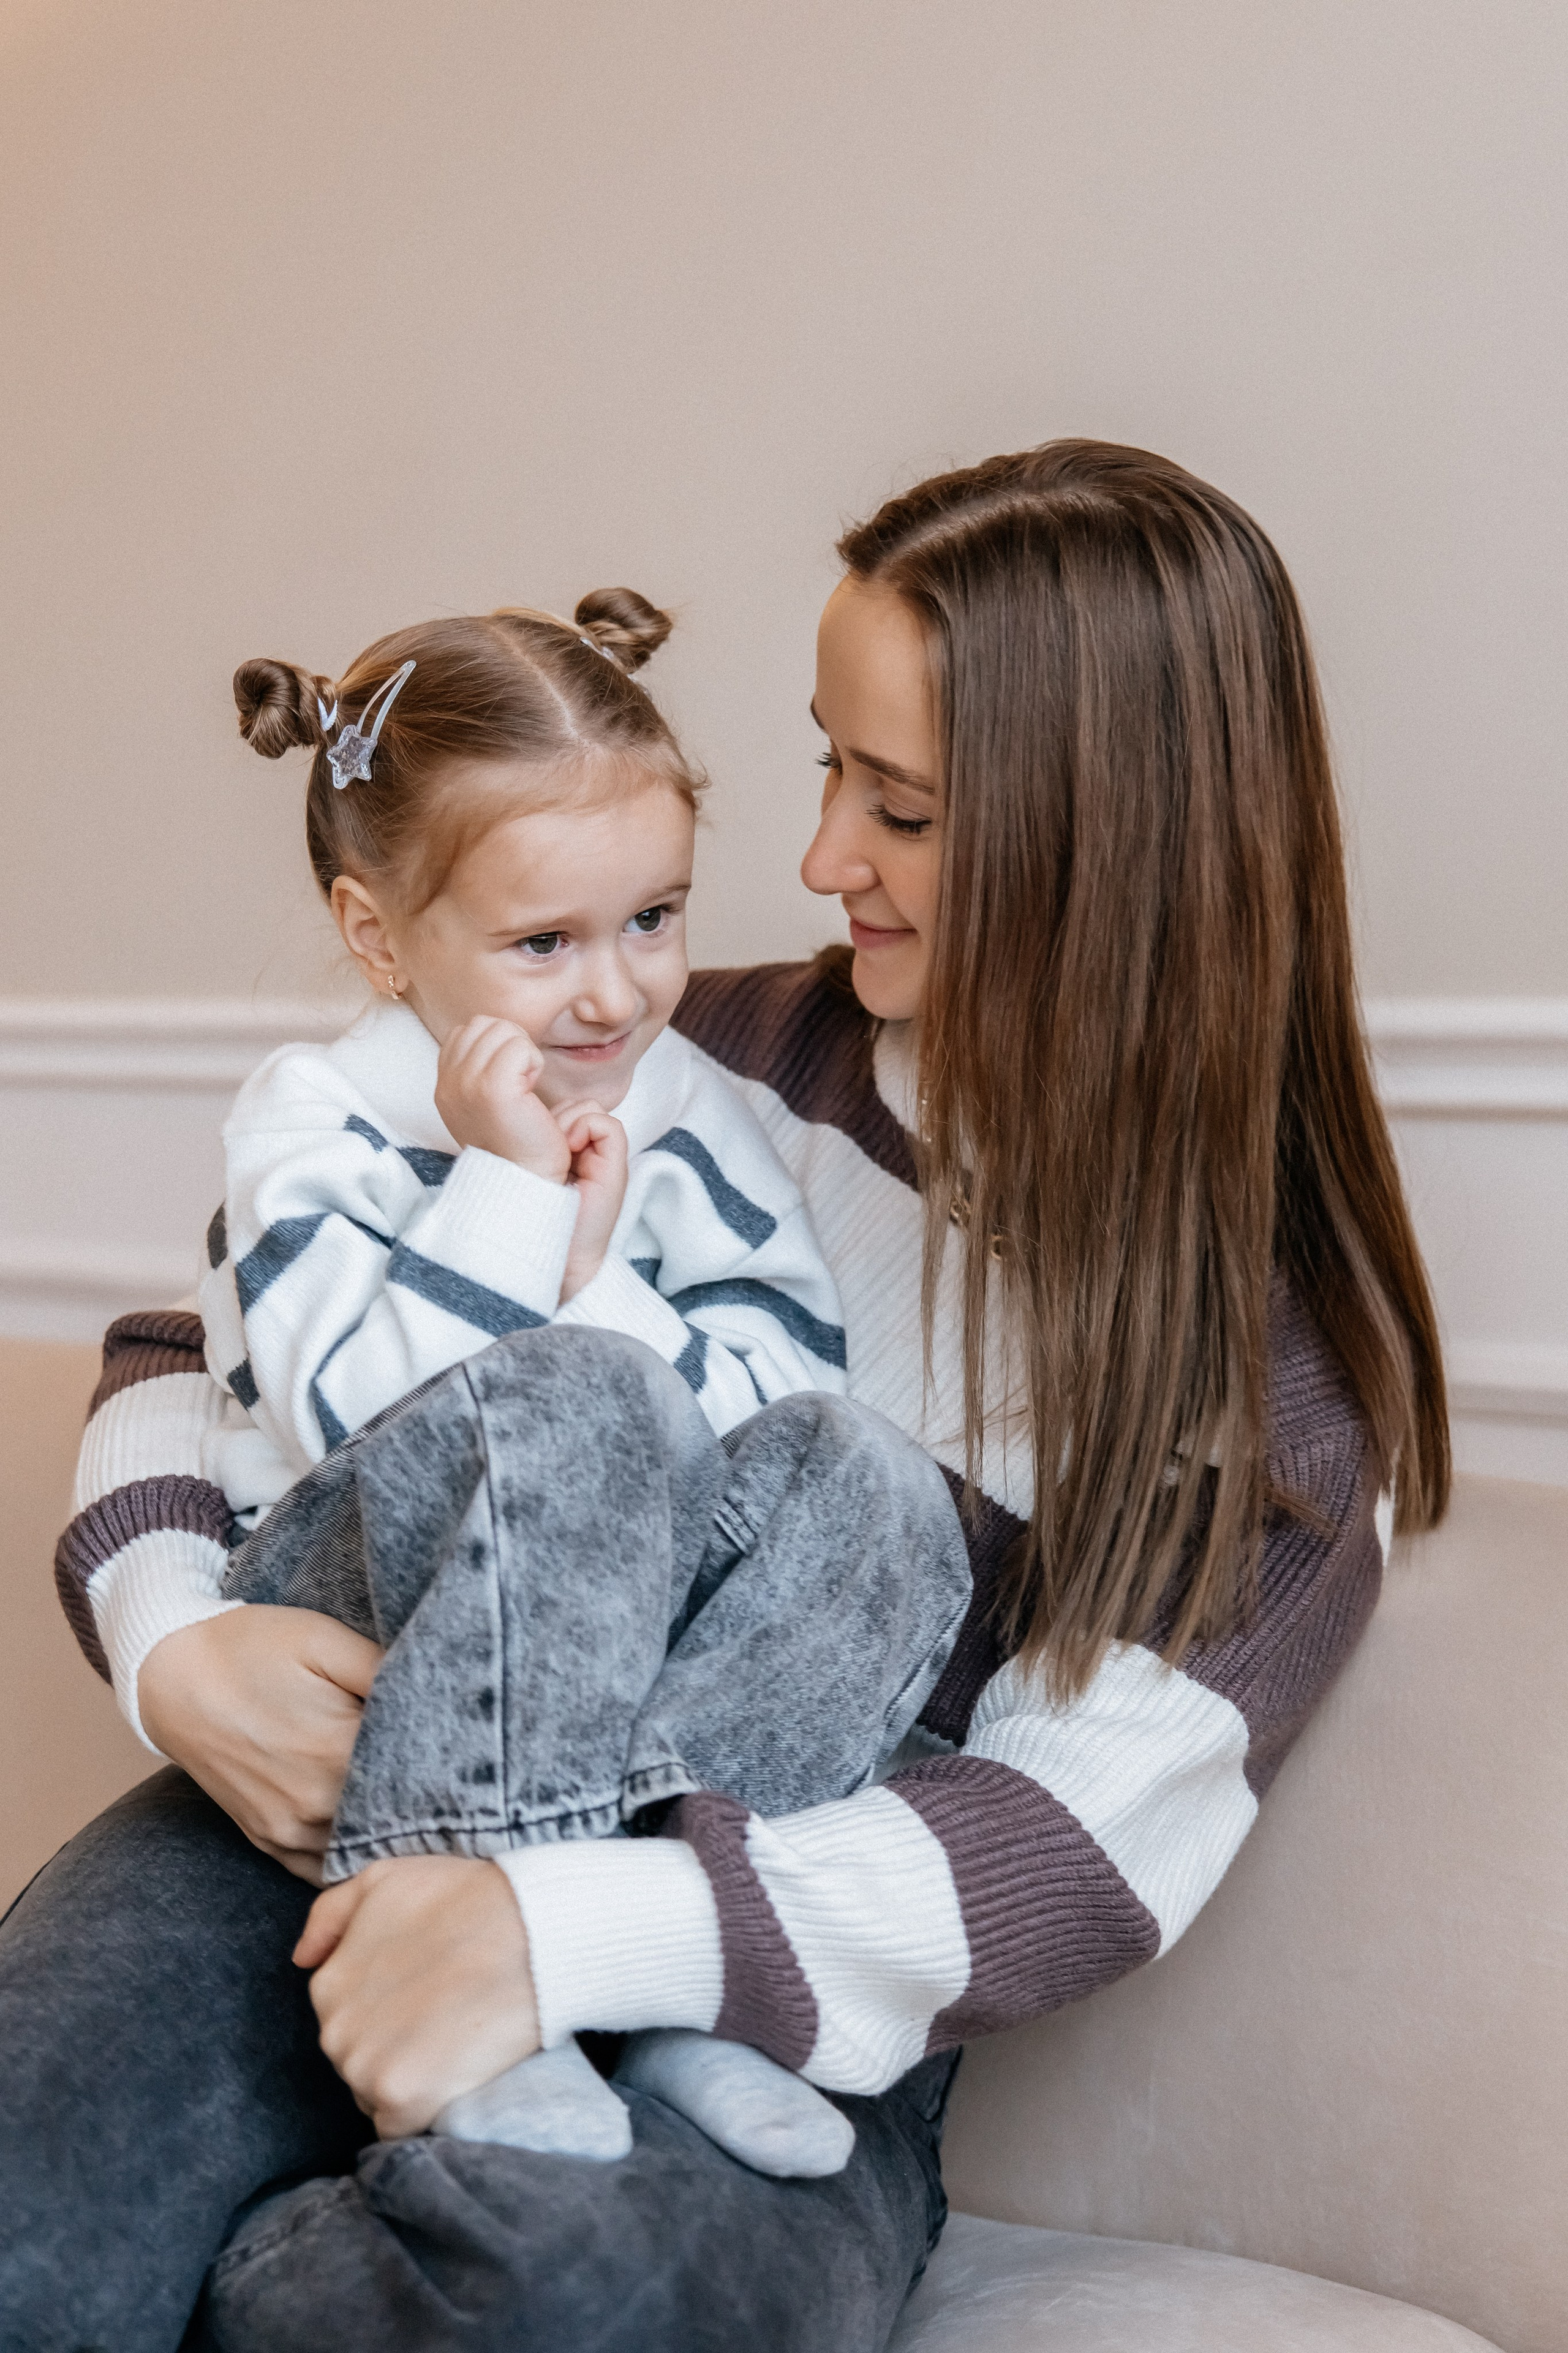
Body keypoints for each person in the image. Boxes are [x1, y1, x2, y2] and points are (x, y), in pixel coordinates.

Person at [9, 439, 1448, 2353]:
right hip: (319, 1802)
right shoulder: (677, 1040)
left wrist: (558, 1930)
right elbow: (205, 1346)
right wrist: (175, 1643)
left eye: (903, 807)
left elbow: (1065, 1853)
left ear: (1116, 848)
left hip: (740, 1985)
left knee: (577, 2294)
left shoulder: (1266, 1397)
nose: (820, 852)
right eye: (829, 764)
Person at [143, 589, 970, 2174]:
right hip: (368, 1601)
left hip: (625, 1639)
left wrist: (600, 1280)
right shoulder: (317, 1118)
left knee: (869, 1476)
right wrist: (515, 1205)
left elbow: (778, 1393)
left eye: (652, 918)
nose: (615, 994)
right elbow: (343, 1413)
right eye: (544, 944)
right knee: (588, 1397)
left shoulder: (688, 1109)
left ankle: (647, 1975)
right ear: (380, 935)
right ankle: (467, 1958)